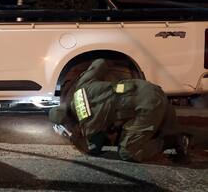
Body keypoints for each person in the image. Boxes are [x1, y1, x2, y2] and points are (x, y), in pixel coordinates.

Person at [49, 58, 189, 163]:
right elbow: (100, 63)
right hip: (147, 88)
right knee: (147, 121)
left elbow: (94, 149)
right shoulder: (81, 86)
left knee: (127, 152)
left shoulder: (88, 124)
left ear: (69, 121)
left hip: (148, 107)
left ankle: (169, 142)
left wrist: (70, 136)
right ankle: (175, 136)